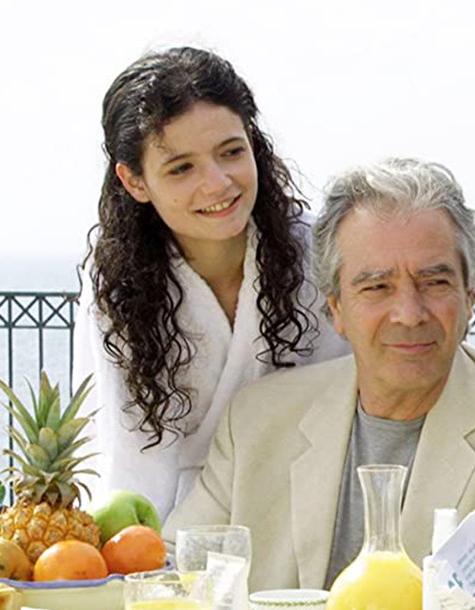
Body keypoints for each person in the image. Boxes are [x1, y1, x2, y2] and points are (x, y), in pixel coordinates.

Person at [164, 158, 475, 610]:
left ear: (470, 296)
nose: (409, 313)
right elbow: (178, 578)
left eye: (434, 282)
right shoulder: (256, 420)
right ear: (336, 308)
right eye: (377, 286)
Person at [74, 47, 347, 521]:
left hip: (315, 506)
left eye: (231, 152)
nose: (218, 183)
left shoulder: (319, 252)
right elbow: (132, 456)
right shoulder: (118, 284)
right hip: (174, 524)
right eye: (181, 168)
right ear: (135, 181)